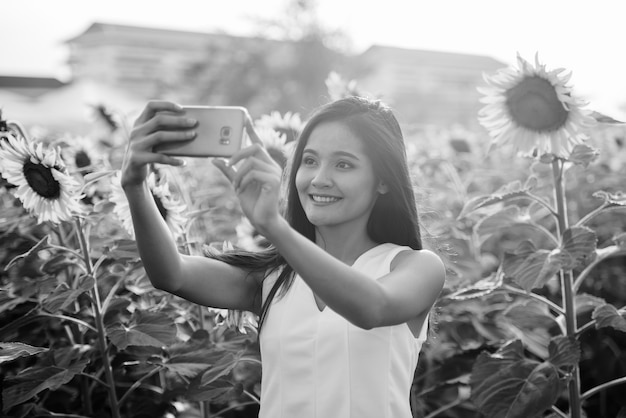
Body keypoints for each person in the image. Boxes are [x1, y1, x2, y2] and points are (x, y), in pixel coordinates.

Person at [121, 96, 445, 418]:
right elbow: (171, 274)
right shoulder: (273, 279)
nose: (319, 179)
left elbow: (373, 308)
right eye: (310, 161)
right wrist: (135, 186)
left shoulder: (416, 266)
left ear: (384, 180)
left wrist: (273, 226)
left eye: (343, 164)